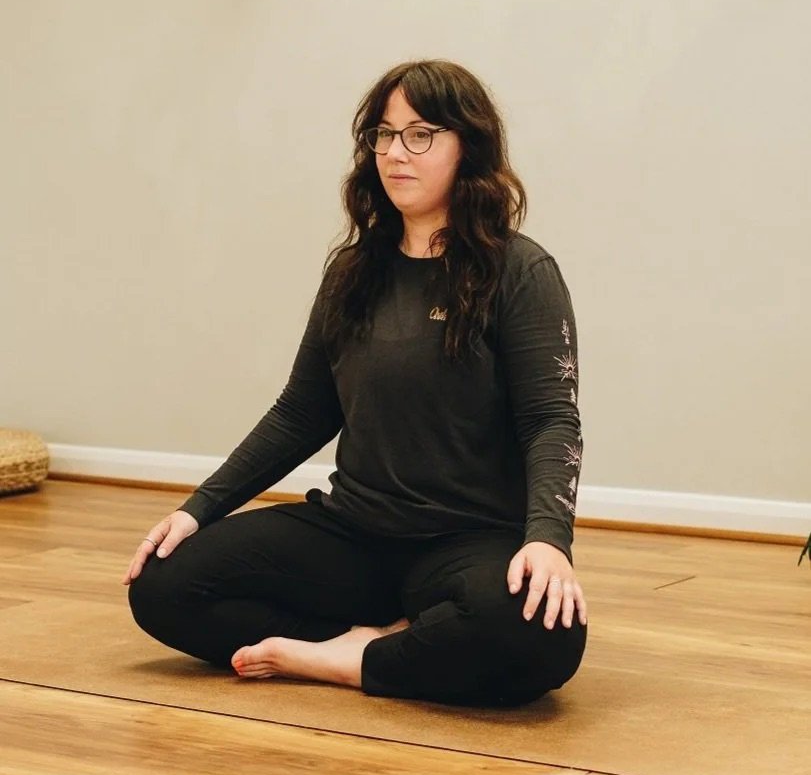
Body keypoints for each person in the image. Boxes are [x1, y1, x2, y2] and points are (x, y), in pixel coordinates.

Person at [123, 59, 588, 707]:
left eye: (420, 134)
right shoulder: (353, 270)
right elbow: (300, 413)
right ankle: (371, 645)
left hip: (468, 540)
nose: (396, 152)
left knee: (541, 635)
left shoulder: (519, 270)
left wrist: (547, 540)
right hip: (355, 534)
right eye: (383, 134)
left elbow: (550, 419)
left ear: (468, 147)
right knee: (162, 585)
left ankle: (348, 659)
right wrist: (197, 508)